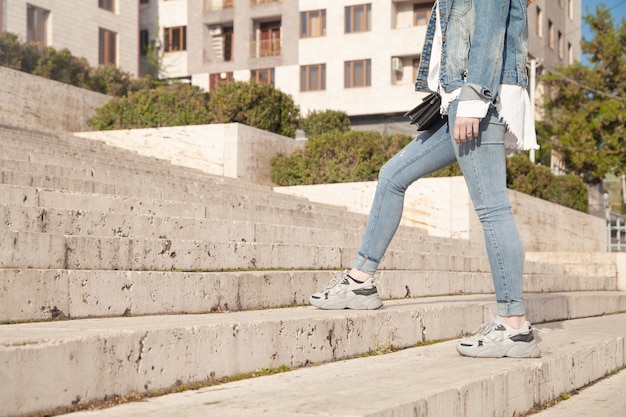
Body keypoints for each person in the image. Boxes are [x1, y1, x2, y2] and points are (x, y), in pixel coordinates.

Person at [310, 0, 541, 359]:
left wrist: (474, 99)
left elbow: (489, 34)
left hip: (478, 103)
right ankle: (359, 283)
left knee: (493, 209)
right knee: (392, 176)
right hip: (456, 104)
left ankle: (514, 326)